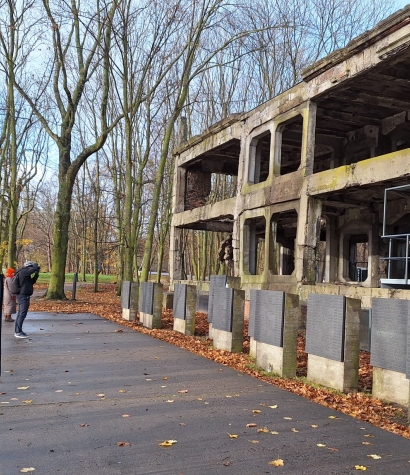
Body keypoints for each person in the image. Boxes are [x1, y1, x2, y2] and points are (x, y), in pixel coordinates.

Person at [14, 261, 40, 339]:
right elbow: (33, 269)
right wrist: (35, 266)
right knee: (22, 314)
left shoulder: (25, 274)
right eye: (31, 267)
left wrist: (36, 274)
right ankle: (18, 332)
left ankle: (18, 331)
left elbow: (31, 282)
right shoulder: (23, 272)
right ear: (28, 267)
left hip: (24, 295)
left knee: (21, 314)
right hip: (23, 296)